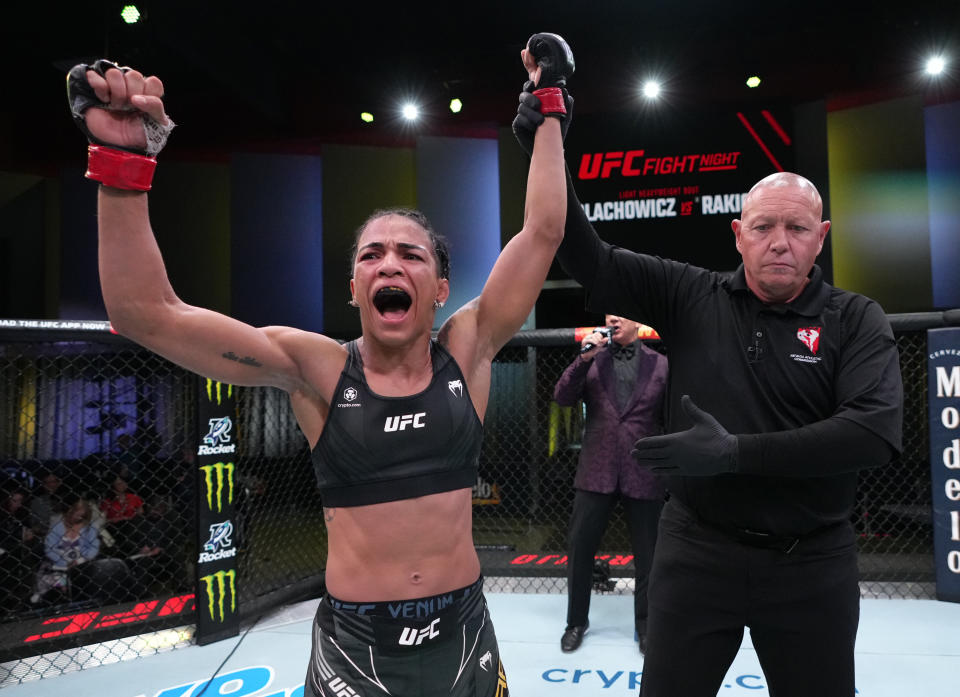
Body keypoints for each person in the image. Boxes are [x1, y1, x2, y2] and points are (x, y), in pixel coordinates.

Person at [66, 31, 572, 696]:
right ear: (355, 289)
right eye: (371, 255)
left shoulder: (468, 347)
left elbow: (542, 232)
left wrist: (552, 111)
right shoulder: (317, 369)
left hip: (464, 631)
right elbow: (145, 312)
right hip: (356, 647)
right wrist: (121, 163)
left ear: (441, 288)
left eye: (411, 254)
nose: (390, 262)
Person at [513, 96, 903, 696]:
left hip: (812, 562)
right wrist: (549, 142)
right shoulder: (689, 294)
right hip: (697, 551)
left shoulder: (855, 318)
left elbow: (871, 432)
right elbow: (583, 253)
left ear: (820, 238)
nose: (780, 242)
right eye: (763, 227)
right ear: (738, 234)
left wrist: (735, 453)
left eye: (796, 228)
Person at [553, 314, 667, 654]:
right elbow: (562, 397)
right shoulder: (592, 359)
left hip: (644, 472)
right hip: (596, 471)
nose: (613, 318)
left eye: (621, 312)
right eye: (609, 314)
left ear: (638, 321)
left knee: (649, 555)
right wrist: (583, 357)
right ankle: (576, 622)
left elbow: (673, 416)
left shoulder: (662, 365)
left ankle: (646, 625)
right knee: (580, 550)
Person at [32, 497, 101, 604]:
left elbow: (93, 549)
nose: (79, 517)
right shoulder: (57, 524)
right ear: (70, 511)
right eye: (77, 514)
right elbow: (50, 548)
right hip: (57, 564)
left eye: (82, 515)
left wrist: (79, 561)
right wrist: (64, 562)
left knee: (82, 578)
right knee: (55, 582)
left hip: (81, 564)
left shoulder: (89, 528)